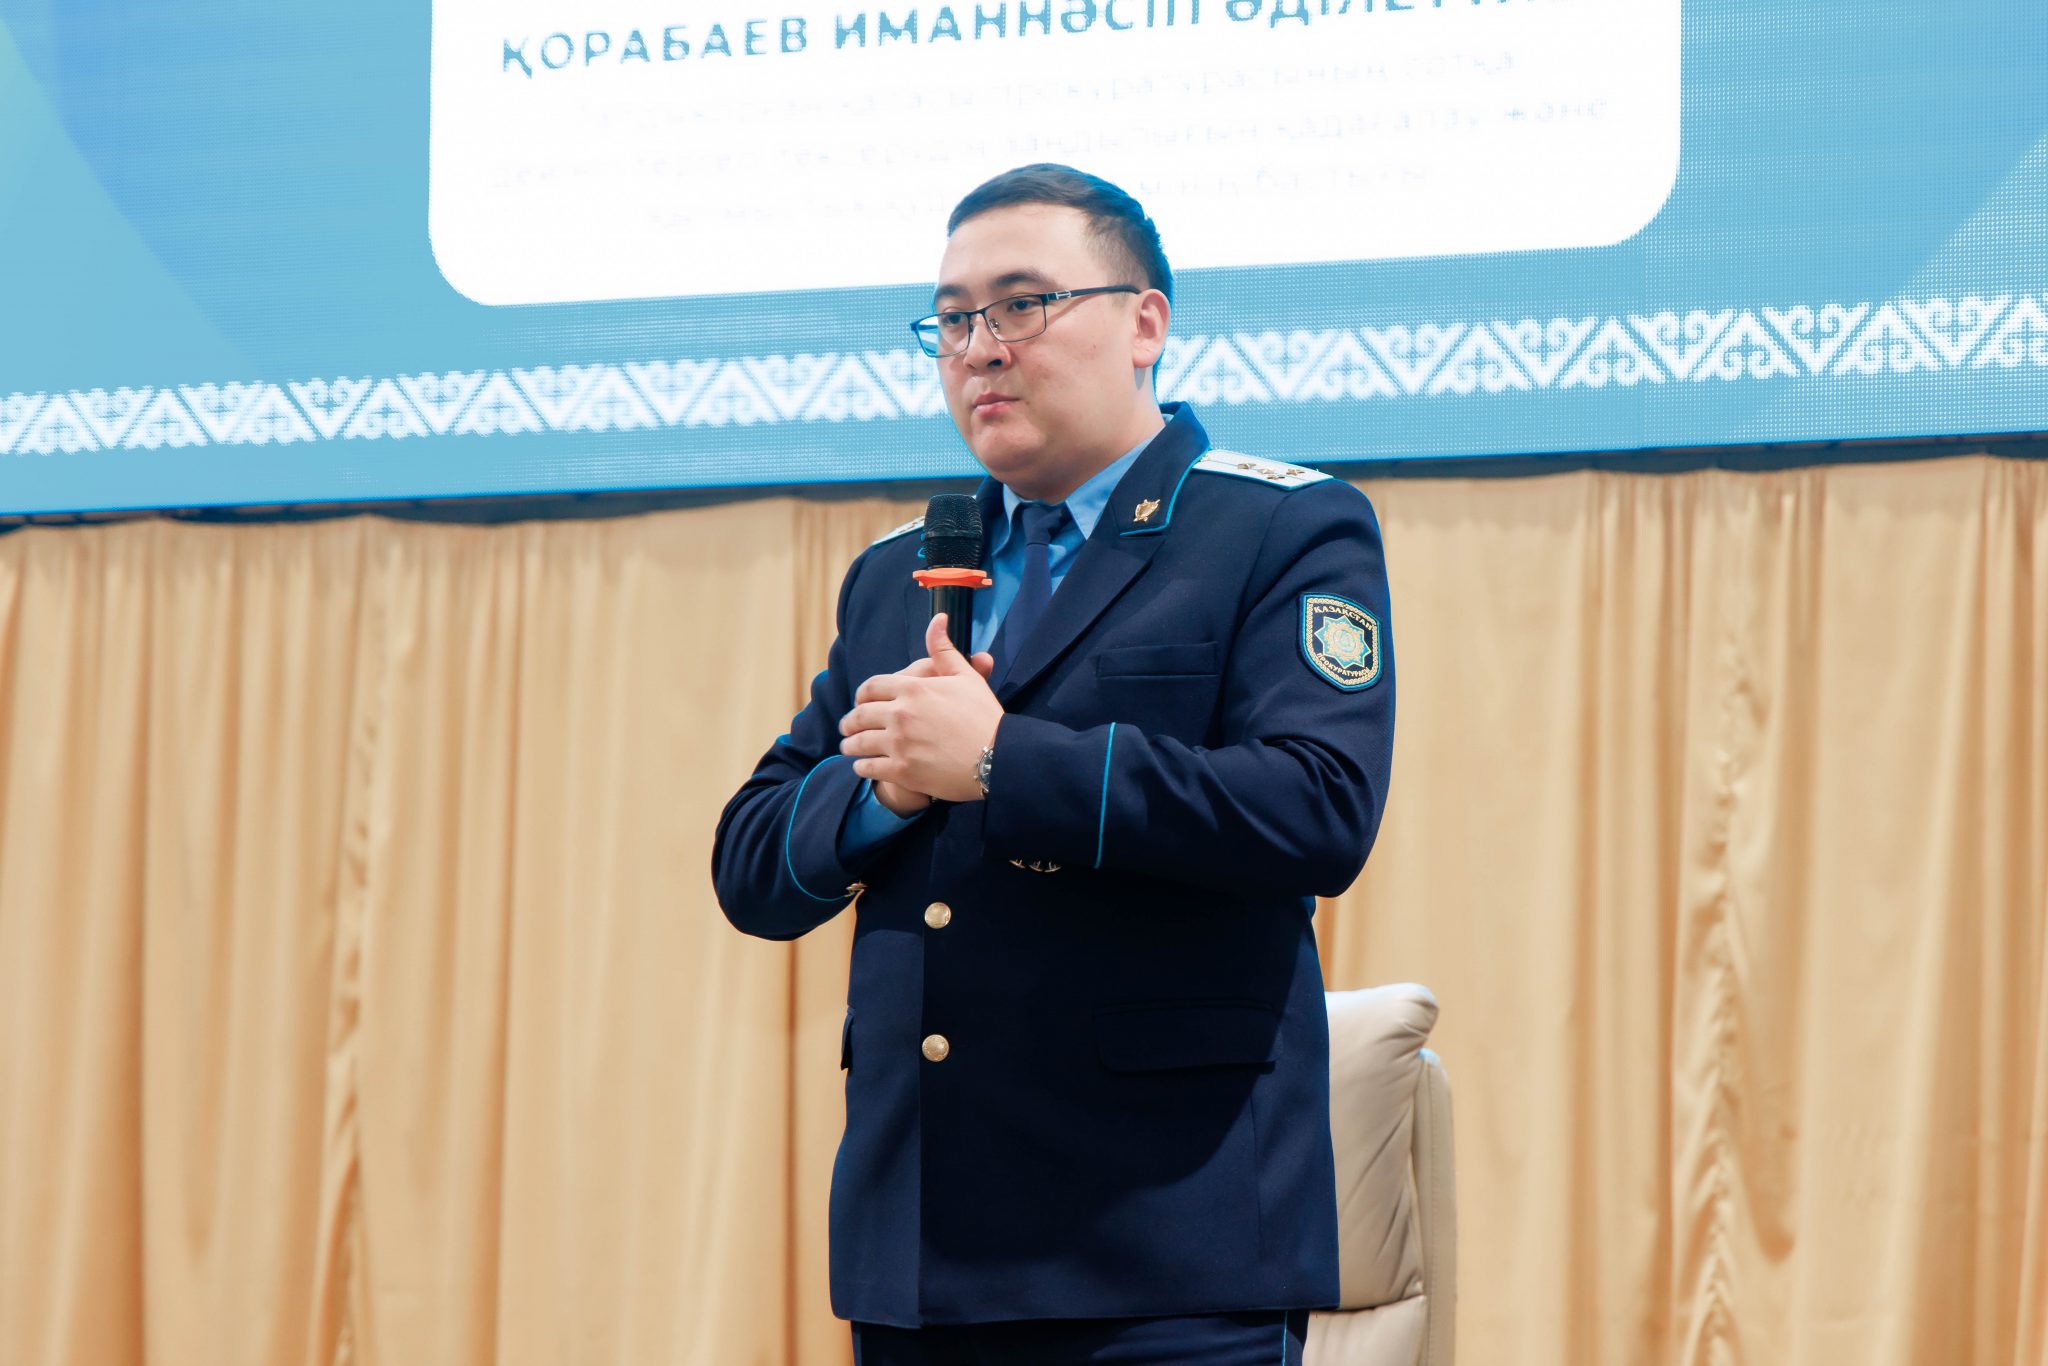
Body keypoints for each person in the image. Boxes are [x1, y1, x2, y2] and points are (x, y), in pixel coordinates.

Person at [711, 164, 1395, 1365]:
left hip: (1162, 1251)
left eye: (1022, 304)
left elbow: (1315, 807)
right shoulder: (899, 571)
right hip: (921, 1257)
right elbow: (752, 863)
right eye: (951, 318)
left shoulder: (1272, 528)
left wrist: (999, 761)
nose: (979, 348)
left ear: (1144, 324)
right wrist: (881, 792)